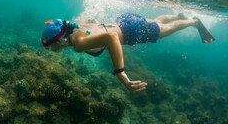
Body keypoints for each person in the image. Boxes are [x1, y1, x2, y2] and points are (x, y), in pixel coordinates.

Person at [41, 13, 214, 92]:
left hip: (131, 32)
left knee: (166, 30)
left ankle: (193, 22)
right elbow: (92, 16)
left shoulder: (78, 44)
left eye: (50, 45)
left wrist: (120, 73)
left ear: (60, 40)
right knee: (155, 21)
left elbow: (111, 37)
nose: (51, 49)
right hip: (124, 20)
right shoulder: (74, 25)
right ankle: (177, 14)